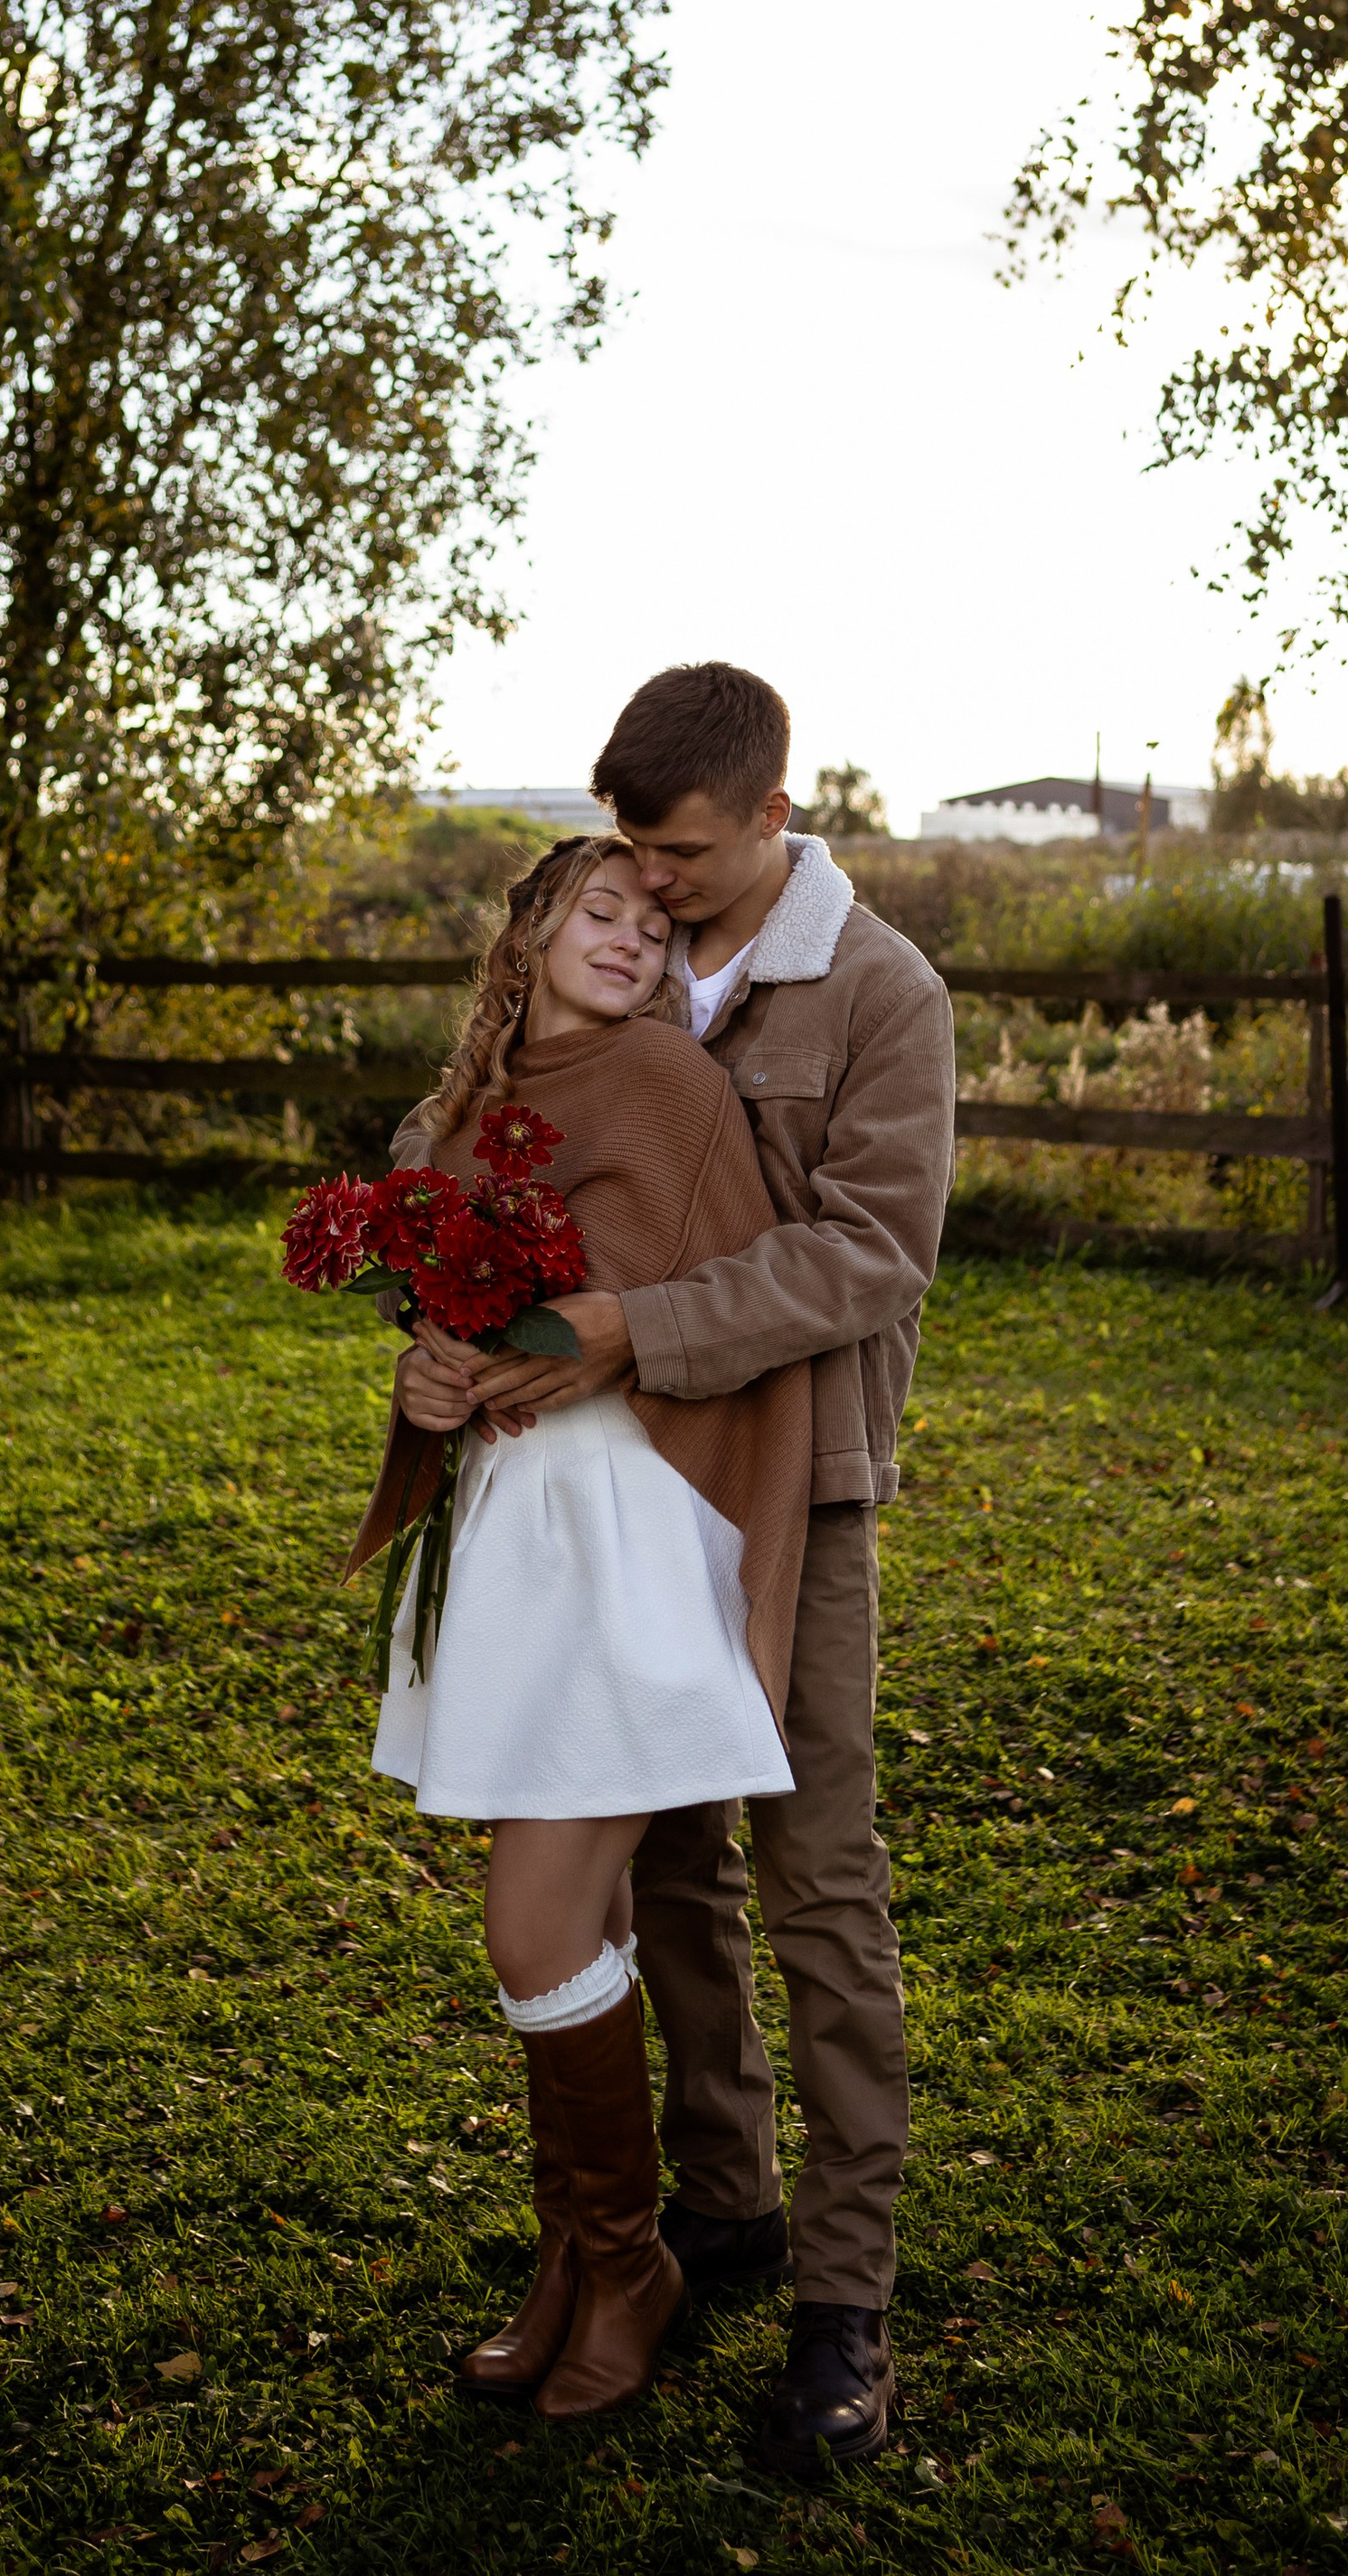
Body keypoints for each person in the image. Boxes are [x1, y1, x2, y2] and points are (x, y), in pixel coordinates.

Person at [399, 663, 953, 2470]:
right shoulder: (625, 959)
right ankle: (719, 2208)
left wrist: (629, 1328)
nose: (653, 882)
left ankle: (844, 2304)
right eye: (629, 852)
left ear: (773, 814)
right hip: (609, 1501)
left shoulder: (874, 993)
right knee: (668, 1871)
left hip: (800, 1488)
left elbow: (868, 1254)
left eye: (685, 855)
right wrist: (449, 1336)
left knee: (815, 1880)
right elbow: (511, 1157)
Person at [348, 833, 817, 2421]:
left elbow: (730, 1305)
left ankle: (633, 2265)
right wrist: (431, 1371)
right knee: (585, 1924)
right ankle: (577, 2256)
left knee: (532, 1931)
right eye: (594, 913)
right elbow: (447, 1316)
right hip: (514, 1532)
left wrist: (577, 1347)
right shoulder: (459, 1116)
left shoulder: (670, 1087)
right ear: (530, 934)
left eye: (648, 922)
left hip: (627, 1532)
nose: (628, 939)